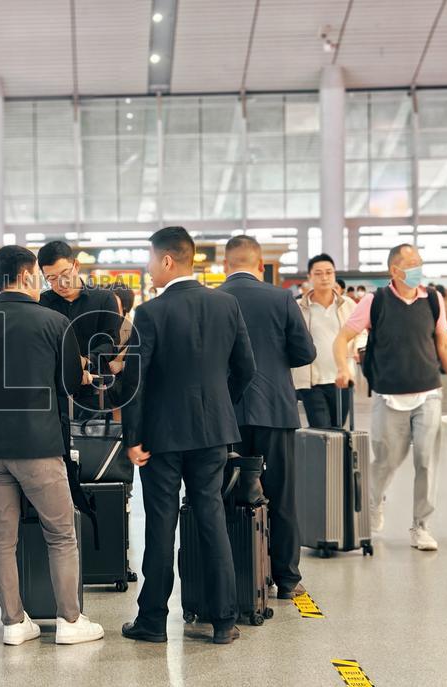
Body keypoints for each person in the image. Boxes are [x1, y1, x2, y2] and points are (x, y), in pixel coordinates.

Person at [0, 245, 104, 646]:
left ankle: (12, 623)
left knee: (0, 537)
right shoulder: (54, 322)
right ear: (26, 276)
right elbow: (71, 383)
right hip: (39, 446)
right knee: (60, 533)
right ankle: (70, 622)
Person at [119, 226, 255, 646]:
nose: (147, 269)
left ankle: (153, 622)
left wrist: (133, 437)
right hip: (213, 434)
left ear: (167, 261)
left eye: (149, 260)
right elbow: (246, 369)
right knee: (212, 520)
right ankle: (223, 622)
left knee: (161, 525)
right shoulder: (226, 304)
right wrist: (218, 407)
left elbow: (136, 383)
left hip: (162, 437)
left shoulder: (151, 313)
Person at [333, 244, 447, 552]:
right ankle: (375, 500)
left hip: (428, 394)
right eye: (412, 263)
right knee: (385, 461)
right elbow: (343, 338)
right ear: (395, 270)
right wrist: (344, 368)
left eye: (420, 261)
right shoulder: (374, 301)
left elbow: (444, 345)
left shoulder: (432, 299)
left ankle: (421, 526)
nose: (418, 267)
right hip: (388, 396)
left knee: (426, 461)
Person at [219, 236, 316, 601]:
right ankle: (287, 578)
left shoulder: (215, 299)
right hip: (275, 409)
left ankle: (237, 574)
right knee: (282, 494)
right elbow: (305, 352)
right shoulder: (281, 299)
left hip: (227, 412)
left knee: (226, 493)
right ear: (261, 266)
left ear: (226, 266)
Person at [37, 241, 122, 414]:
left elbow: (110, 341)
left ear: (76, 265)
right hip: (53, 394)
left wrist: (86, 361)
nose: (61, 283)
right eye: (51, 278)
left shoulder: (104, 299)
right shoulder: (41, 303)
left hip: (94, 390)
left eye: (65, 273)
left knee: (95, 438)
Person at [293, 254, 362, 429]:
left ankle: (338, 458)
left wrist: (358, 348)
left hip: (341, 377)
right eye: (318, 273)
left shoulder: (348, 305)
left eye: (329, 273)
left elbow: (360, 332)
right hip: (311, 381)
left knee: (339, 429)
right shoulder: (298, 307)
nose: (324, 277)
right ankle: (323, 457)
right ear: (309, 277)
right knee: (321, 430)